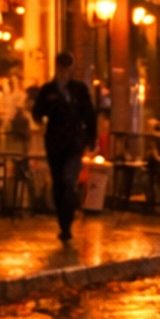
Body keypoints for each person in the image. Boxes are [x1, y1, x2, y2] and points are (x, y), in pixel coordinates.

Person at [30, 50, 97, 243]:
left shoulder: (79, 90)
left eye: (67, 67)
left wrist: (90, 138)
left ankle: (69, 214)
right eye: (62, 67)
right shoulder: (48, 90)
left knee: (68, 179)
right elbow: (37, 112)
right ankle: (64, 224)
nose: (64, 71)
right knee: (58, 182)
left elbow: (89, 115)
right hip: (55, 143)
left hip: (74, 142)